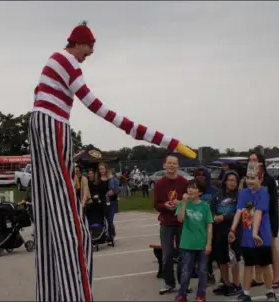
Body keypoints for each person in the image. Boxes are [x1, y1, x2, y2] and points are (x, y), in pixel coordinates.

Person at [28, 20, 196, 302]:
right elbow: (99, 107)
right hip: (52, 127)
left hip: (40, 126)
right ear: (78, 43)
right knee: (72, 226)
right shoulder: (67, 62)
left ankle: (50, 294)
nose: (90, 53)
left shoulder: (55, 61)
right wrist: (161, 139)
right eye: (89, 47)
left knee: (50, 214)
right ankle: (75, 295)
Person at [228, 163, 278, 302]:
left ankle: (270, 291)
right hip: (247, 237)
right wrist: (232, 229)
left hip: (262, 236)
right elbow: (239, 211)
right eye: (248, 178)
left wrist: (255, 233)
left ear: (260, 179)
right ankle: (246, 293)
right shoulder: (243, 193)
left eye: (253, 178)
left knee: (264, 265)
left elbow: (258, 213)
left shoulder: (264, 193)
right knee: (248, 265)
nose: (250, 181)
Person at [247, 151, 279, 289]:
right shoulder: (248, 180)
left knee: (272, 247)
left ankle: (276, 278)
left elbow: (273, 203)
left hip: (268, 219)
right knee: (256, 247)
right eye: (250, 160)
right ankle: (258, 278)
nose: (252, 162)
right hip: (253, 219)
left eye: (255, 159)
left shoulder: (269, 180)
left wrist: (272, 224)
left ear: (261, 162)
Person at [154, 154, 188, 295]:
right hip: (166, 223)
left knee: (183, 254)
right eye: (169, 163)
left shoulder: (184, 182)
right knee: (167, 255)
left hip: (181, 223)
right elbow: (156, 204)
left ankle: (183, 282)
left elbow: (190, 200)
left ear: (178, 166)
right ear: (164, 165)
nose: (172, 165)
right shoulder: (160, 183)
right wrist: (165, 205)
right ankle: (169, 283)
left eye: (175, 163)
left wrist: (180, 203)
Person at [174, 178, 213, 302]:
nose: (190, 190)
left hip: (201, 244)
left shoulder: (205, 206)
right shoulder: (182, 203)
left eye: (194, 187)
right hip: (187, 244)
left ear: (200, 192)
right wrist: (184, 203)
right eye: (189, 187)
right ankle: (182, 294)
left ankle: (201, 295)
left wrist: (209, 244)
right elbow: (180, 219)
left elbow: (209, 225)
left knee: (202, 271)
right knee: (185, 272)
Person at [210, 170, 242, 296]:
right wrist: (214, 216)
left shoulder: (239, 196)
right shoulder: (217, 195)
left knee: (234, 259)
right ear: (224, 181)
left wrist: (224, 217)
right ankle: (226, 284)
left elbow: (239, 213)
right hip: (219, 231)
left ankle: (236, 284)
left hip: (233, 231)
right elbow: (210, 209)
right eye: (229, 180)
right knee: (221, 259)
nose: (232, 183)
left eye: (234, 180)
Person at [193, 166, 219, 284]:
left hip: (213, 226)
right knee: (202, 253)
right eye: (198, 175)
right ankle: (208, 275)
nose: (201, 177)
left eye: (203, 175)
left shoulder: (214, 191)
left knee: (213, 252)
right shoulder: (192, 191)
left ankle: (222, 277)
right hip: (197, 226)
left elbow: (219, 208)